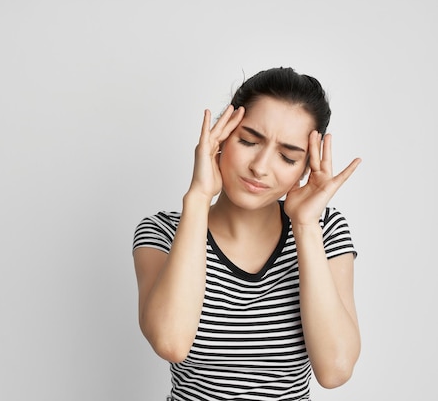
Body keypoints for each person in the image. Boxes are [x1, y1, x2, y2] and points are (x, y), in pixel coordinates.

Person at [132, 67, 362, 401]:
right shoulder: (162, 232)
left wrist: (306, 227)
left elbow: (335, 370)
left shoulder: (325, 229)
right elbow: (170, 343)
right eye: (248, 141)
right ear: (221, 136)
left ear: (305, 168)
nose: (261, 166)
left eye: (287, 156)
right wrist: (197, 198)